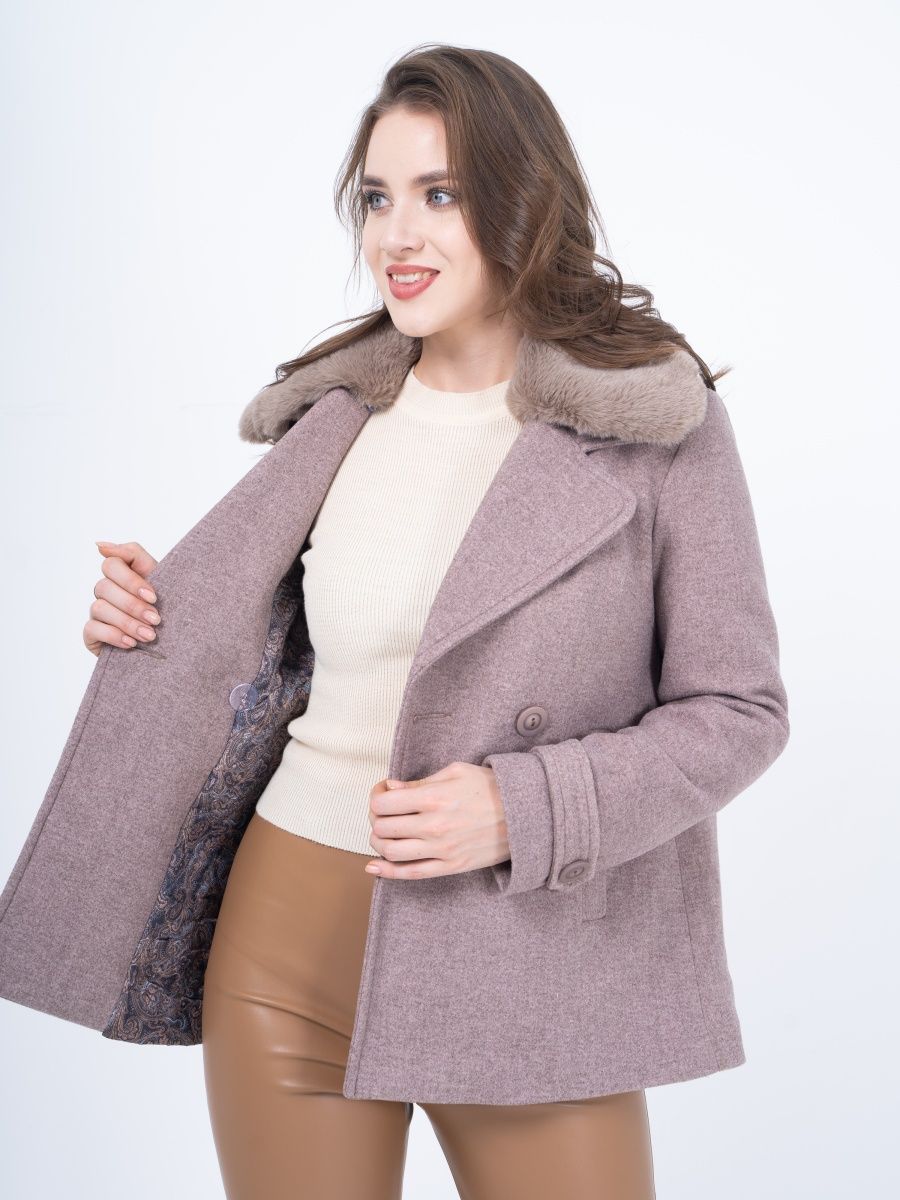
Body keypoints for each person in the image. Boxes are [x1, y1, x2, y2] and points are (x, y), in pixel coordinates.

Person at [76, 42, 785, 1200]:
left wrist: (525, 806)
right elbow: (279, 654)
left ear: (526, 199)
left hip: (528, 953)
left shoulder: (652, 423)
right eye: (376, 197)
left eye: (441, 194)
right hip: (285, 941)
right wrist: (149, 621)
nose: (396, 235)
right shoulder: (338, 409)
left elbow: (741, 710)